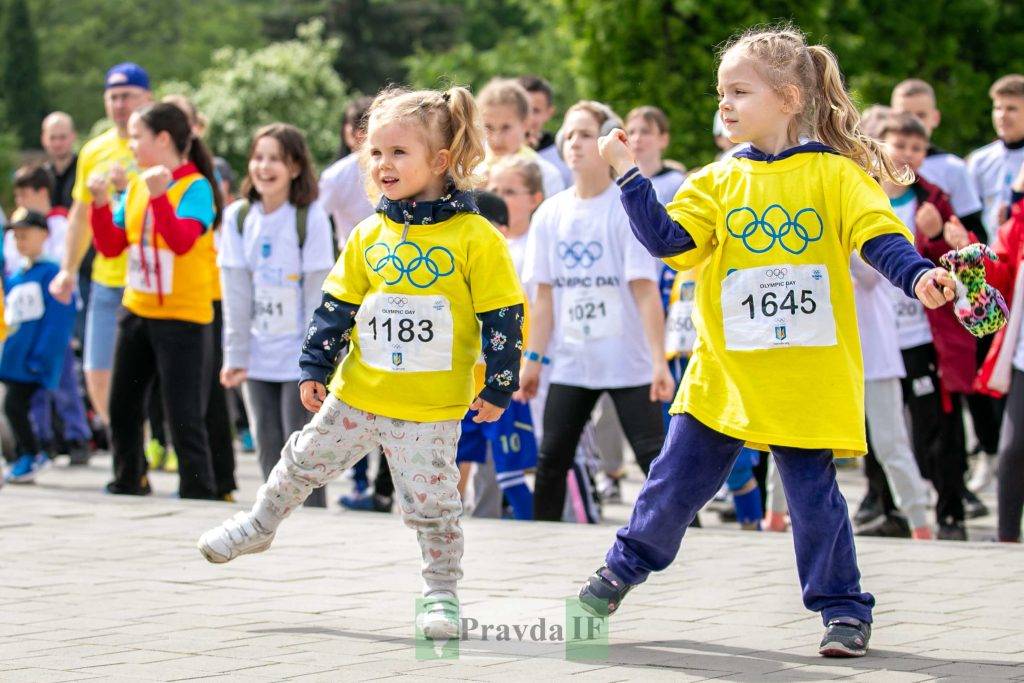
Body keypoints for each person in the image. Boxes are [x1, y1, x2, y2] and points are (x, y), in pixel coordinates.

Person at [575, 26, 957, 658]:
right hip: (725, 375)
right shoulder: (716, 181)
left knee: (814, 502)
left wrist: (919, 276)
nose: (723, 103)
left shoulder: (835, 175)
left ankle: (843, 610)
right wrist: (628, 175)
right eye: (719, 92)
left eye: (739, 91)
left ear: (786, 97)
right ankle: (617, 572)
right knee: (671, 486)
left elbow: (878, 236)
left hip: (804, 377)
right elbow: (671, 244)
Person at [196, 86, 525, 641]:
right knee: (301, 460)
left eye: (398, 152)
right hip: (358, 396)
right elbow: (336, 306)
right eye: (374, 152)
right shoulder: (368, 232)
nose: (382, 164)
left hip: (429, 408)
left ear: (440, 161)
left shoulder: (476, 237)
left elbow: (503, 315)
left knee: (433, 505)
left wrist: (497, 385)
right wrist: (314, 367)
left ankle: (440, 594)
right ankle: (260, 523)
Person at [519, 100, 674, 522]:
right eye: (568, 134)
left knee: (654, 460)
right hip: (572, 362)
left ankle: (683, 536)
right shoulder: (550, 213)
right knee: (551, 459)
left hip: (627, 362)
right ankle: (540, 543)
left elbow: (645, 292)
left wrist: (660, 361)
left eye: (585, 134)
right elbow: (545, 297)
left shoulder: (626, 208)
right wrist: (532, 359)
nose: (573, 143)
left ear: (609, 141)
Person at [89, 102, 222, 499]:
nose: (130, 145)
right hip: (138, 310)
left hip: (184, 316)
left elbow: (182, 241)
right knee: (123, 403)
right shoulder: (134, 187)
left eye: (136, 136)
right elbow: (112, 246)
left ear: (162, 139)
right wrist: (99, 204)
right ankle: (129, 477)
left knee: (183, 413)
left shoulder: (196, 186)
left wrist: (161, 198)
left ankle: (198, 490)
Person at [219, 123, 335, 508]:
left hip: (298, 357)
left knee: (302, 446)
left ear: (296, 168)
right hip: (257, 353)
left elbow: (318, 292)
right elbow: (235, 293)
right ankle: (271, 520)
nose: (264, 168)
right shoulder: (238, 217)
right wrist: (235, 357)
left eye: (276, 160)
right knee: (266, 444)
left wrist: (314, 361)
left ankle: (312, 520)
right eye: (258, 158)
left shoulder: (310, 217)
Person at [50, 63, 152, 433]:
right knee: (96, 371)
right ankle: (128, 441)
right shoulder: (94, 151)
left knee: (148, 373)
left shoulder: (158, 144)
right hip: (107, 279)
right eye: (113, 97)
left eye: (128, 96)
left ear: (147, 98)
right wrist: (67, 268)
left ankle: (153, 440)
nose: (120, 104)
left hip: (152, 283)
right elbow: (79, 216)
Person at [3, 167, 90, 466]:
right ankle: (39, 442)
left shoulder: (59, 233)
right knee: (29, 400)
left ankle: (78, 436)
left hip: (50, 338)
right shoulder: (17, 272)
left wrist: (44, 350)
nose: (19, 241)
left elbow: (60, 308)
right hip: (23, 340)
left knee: (64, 385)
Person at [1, 211, 77, 482]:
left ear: (44, 235)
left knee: (16, 406)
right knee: (14, 408)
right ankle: (26, 454)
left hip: (33, 362)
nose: (20, 241)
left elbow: (58, 321)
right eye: (16, 236)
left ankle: (33, 453)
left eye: (25, 235)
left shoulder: (52, 273)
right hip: (14, 359)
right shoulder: (17, 275)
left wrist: (42, 357)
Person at [975, 162, 1024, 542]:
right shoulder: (1017, 224)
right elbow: (999, 275)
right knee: (1011, 450)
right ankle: (1006, 538)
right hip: (1023, 357)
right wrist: (969, 249)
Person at [477, 78, 565, 198]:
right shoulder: (469, 170)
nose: (496, 139)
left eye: (506, 128)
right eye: (488, 127)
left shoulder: (546, 175)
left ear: (526, 124)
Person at [968, 74, 1024, 236]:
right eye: (998, 108)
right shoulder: (979, 159)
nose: (1002, 115)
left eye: (1011, 109)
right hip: (990, 254)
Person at [319, 96, 375, 247]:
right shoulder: (401, 165)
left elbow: (316, 218)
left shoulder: (335, 175)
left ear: (355, 133)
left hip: (352, 257)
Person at [518, 75, 572, 186]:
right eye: (522, 109)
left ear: (549, 113)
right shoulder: (489, 153)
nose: (528, 118)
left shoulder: (563, 157)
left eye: (535, 110)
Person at [40, 112, 78, 211]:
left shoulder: (84, 170)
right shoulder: (40, 176)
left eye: (62, 137)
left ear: (73, 136)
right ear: (43, 139)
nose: (57, 143)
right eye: (52, 138)